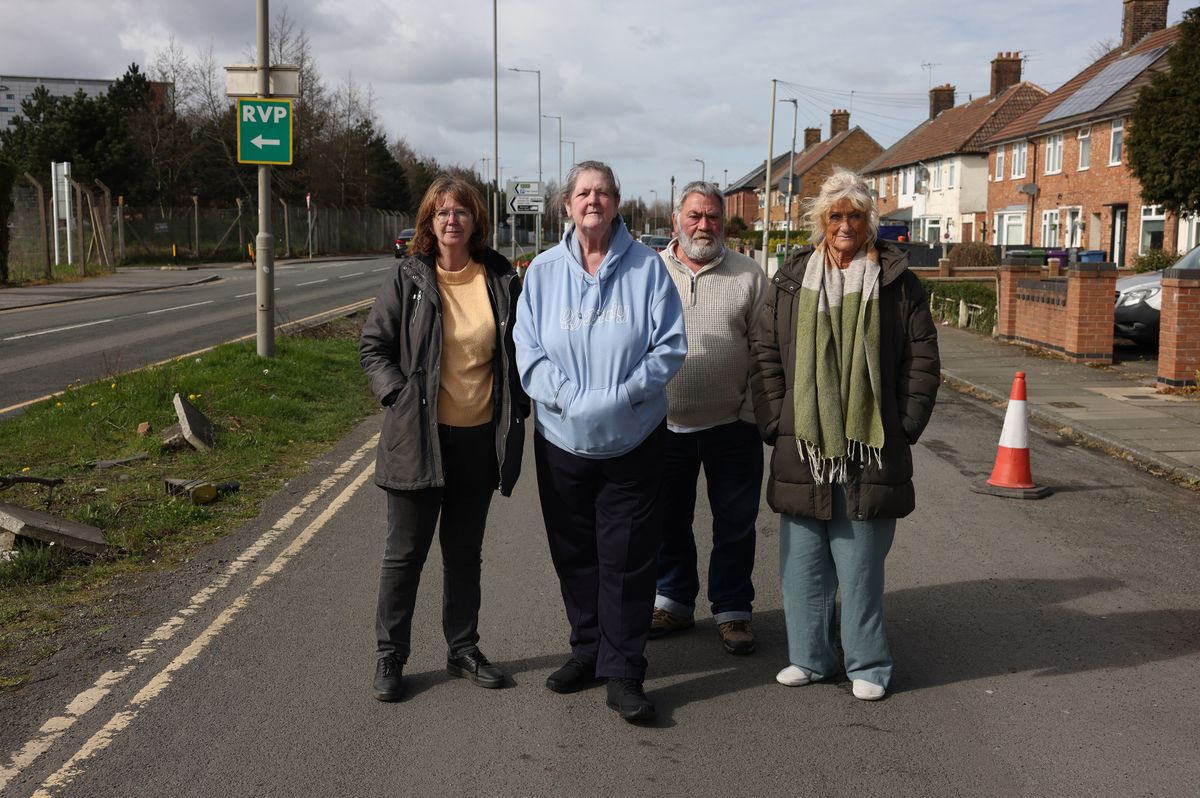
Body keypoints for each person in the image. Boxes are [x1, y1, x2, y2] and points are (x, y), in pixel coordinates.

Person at [750, 168, 939, 701]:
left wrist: (902, 425)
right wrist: (775, 419)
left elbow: (922, 360)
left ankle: (869, 665)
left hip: (870, 445)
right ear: (820, 221)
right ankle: (810, 659)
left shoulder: (899, 282)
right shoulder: (790, 280)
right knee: (802, 564)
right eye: (835, 215)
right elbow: (766, 354)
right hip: (804, 443)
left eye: (855, 215)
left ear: (869, 221)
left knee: (859, 568)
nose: (845, 225)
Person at [515, 160, 686, 723]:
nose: (593, 200)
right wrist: (568, 396)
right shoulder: (541, 272)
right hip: (561, 438)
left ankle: (624, 671)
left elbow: (668, 347)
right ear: (567, 205)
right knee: (575, 555)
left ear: (617, 204)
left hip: (633, 439)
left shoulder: (648, 269)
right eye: (583, 192)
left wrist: (622, 395)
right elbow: (528, 352)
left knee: (629, 559)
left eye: (604, 193)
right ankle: (587, 652)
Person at [360, 175, 528, 702]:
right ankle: (391, 656)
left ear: (476, 220)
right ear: (429, 223)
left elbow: (519, 352)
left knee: (463, 553)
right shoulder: (408, 278)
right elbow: (374, 347)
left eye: (461, 212)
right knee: (404, 554)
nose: (451, 220)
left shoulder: (500, 278)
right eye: (441, 212)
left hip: (477, 441)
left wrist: (522, 406)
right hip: (417, 439)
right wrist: (398, 398)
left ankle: (462, 649)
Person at [650, 181, 767, 655]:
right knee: (667, 522)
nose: (704, 225)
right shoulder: (649, 272)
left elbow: (766, 351)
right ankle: (673, 601)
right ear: (677, 219)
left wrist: (749, 412)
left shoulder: (750, 275)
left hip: (732, 426)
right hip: (662, 426)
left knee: (735, 523)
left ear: (723, 221)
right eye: (695, 216)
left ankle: (733, 609)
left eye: (712, 217)